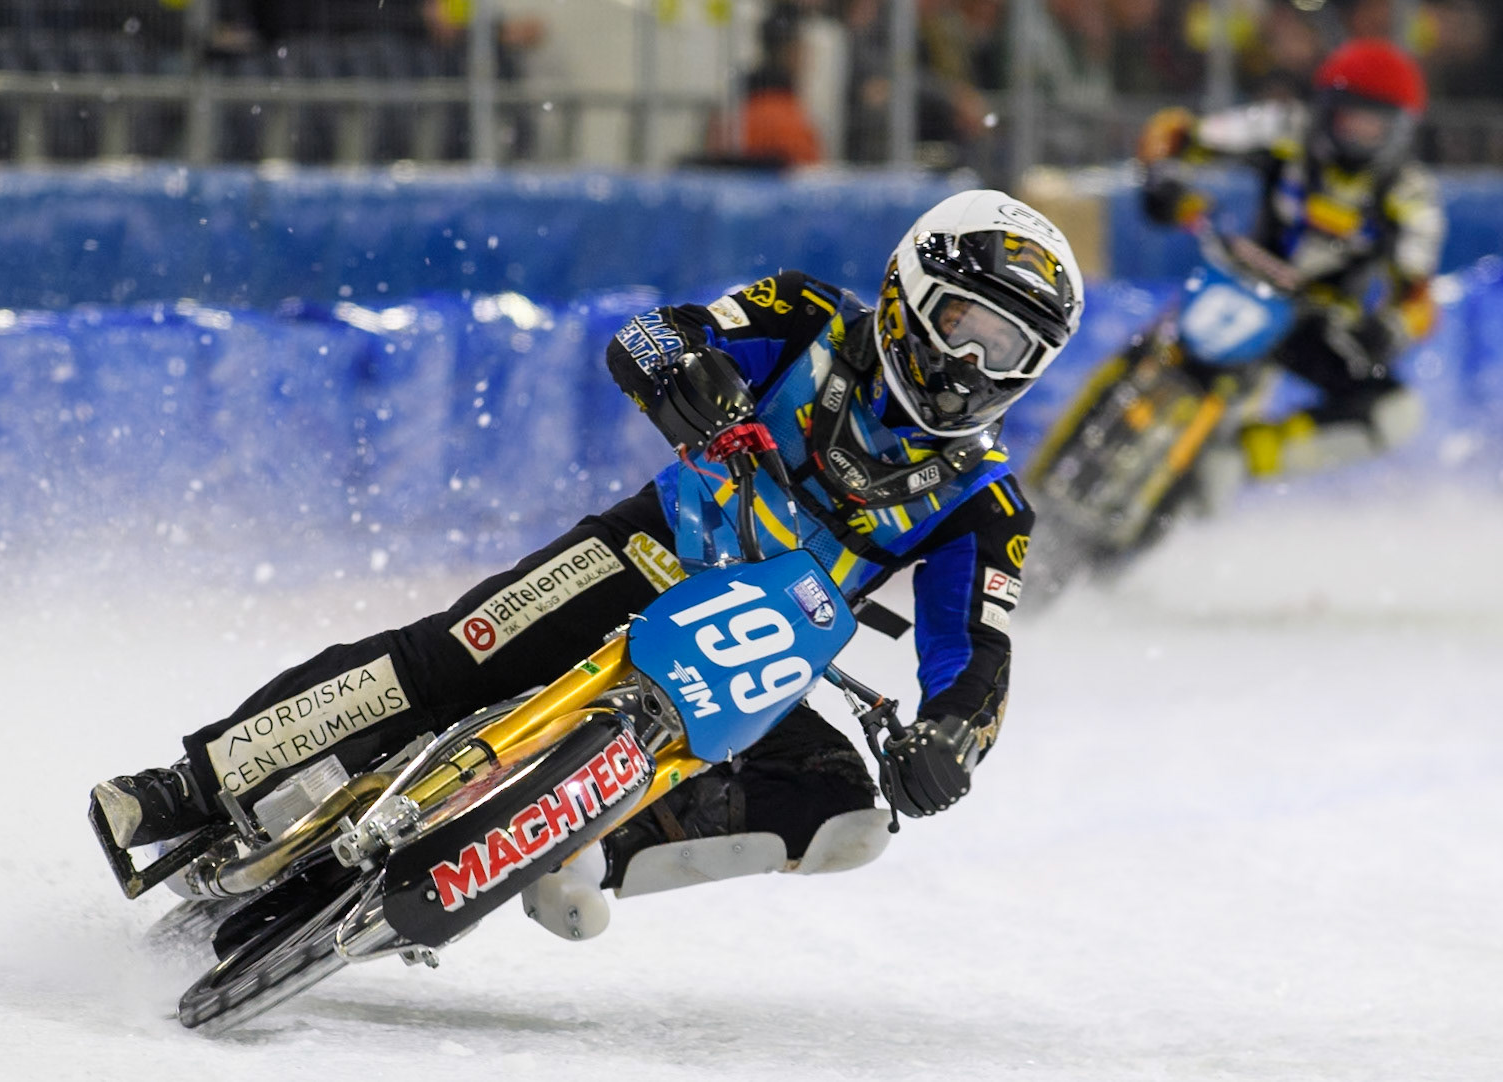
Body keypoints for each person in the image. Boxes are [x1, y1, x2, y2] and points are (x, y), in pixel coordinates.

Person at [91, 189, 1083, 940]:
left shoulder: (986, 505)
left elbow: (975, 662)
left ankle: (593, 834)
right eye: (971, 328)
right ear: (914, 293)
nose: (977, 370)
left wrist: (948, 744)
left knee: (845, 811)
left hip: (764, 654)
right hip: (650, 548)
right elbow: (657, 332)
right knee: (454, 656)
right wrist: (687, 380)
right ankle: (195, 780)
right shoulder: (809, 311)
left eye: (1013, 354)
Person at [1137, 38, 1447, 496]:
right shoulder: (1284, 127)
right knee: (1160, 358)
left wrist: (1390, 328)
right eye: (1351, 117)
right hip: (1239, 281)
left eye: (1375, 123)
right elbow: (1177, 132)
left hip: (1314, 323)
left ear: (1400, 130)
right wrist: (1164, 178)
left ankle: (1245, 456)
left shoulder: (1411, 192)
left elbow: (1419, 297)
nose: (1360, 132)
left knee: (1395, 412)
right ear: (1327, 107)